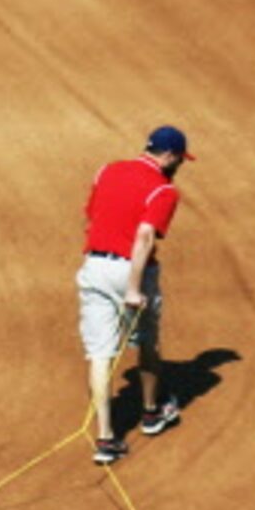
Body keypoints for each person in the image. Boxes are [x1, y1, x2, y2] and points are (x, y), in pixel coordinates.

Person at [77, 124, 194, 465]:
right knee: (146, 341)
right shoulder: (163, 191)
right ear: (170, 156)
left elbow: (90, 217)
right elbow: (144, 237)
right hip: (132, 271)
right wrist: (131, 287)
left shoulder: (107, 171)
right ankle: (151, 412)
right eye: (180, 160)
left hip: (95, 264)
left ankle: (106, 438)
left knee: (99, 354)